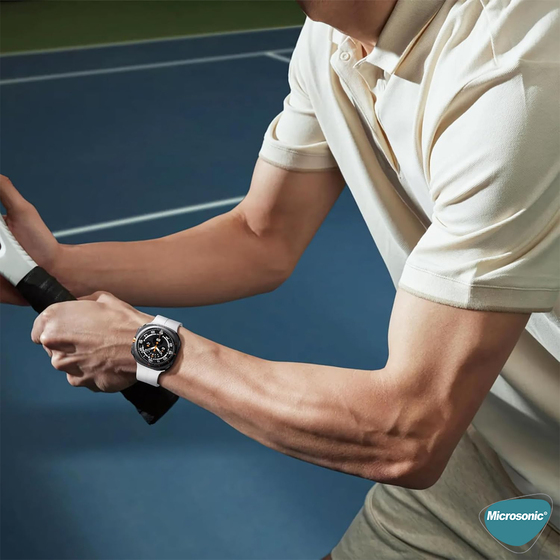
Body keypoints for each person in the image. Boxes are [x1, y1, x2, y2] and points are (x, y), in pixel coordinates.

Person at [1, 0, 559, 557]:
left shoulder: (515, 71)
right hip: (491, 447)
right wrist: (54, 267)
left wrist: (149, 348)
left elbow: (407, 430)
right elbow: (260, 237)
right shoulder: (331, 36)